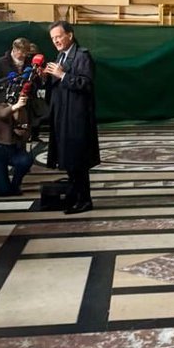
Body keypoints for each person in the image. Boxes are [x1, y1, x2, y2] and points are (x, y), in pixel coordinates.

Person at [44, 20, 100, 214]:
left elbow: (87, 84)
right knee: (67, 159)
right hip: (61, 116)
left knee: (78, 160)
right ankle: (74, 196)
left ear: (70, 35)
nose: (56, 41)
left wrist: (63, 75)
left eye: (59, 36)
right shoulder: (60, 56)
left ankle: (85, 200)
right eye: (53, 38)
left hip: (76, 118)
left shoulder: (82, 56)